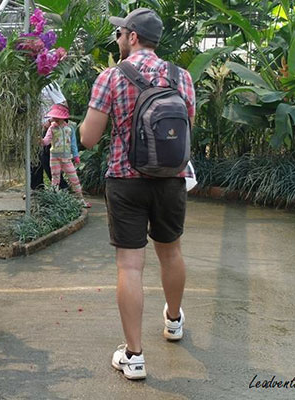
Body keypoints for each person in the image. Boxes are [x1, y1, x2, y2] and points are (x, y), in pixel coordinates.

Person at [79, 8, 196, 380]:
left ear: (131, 37)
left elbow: (89, 137)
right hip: (171, 179)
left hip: (125, 180)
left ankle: (134, 356)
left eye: (119, 34)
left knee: (130, 265)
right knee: (171, 251)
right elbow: (185, 129)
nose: (117, 40)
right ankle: (174, 321)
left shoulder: (111, 77)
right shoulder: (182, 77)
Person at [41, 104, 90, 207]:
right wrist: (40, 141)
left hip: (67, 158)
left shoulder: (69, 129)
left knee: (74, 178)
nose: (54, 119)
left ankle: (80, 199)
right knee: (55, 179)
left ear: (63, 117)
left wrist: (76, 156)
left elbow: (73, 144)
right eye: (54, 117)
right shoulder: (52, 128)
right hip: (54, 157)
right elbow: (46, 141)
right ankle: (55, 200)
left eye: (57, 117)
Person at [30, 81, 69, 191]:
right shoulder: (28, 83)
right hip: (33, 127)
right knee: (33, 159)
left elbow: (63, 105)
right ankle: (36, 189)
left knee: (46, 158)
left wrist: (51, 121)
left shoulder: (50, 84)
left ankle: (62, 187)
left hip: (48, 127)